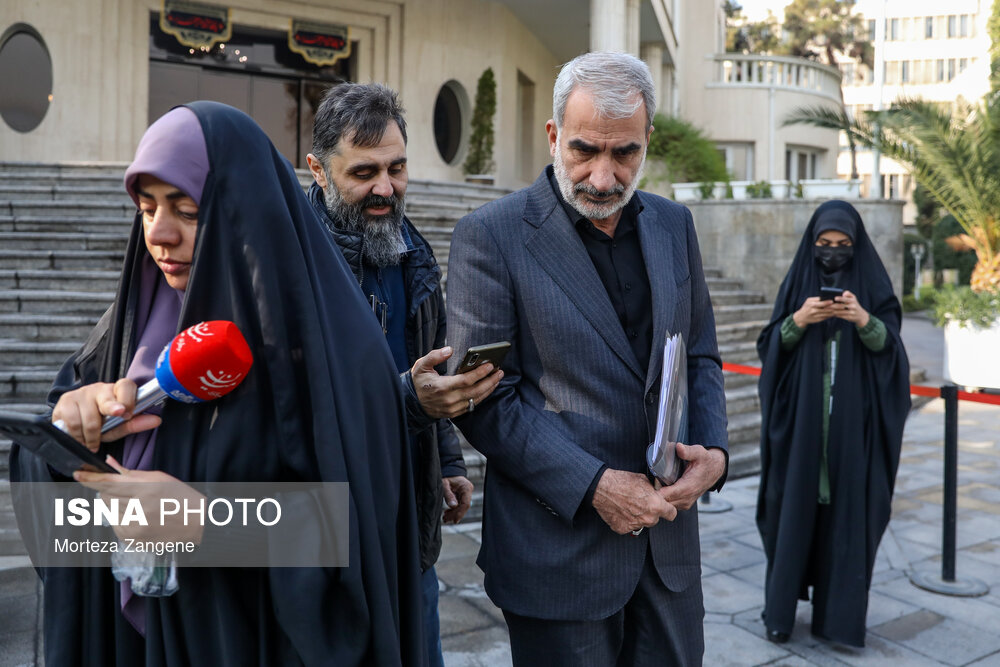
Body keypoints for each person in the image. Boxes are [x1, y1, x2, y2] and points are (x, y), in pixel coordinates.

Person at [9, 102, 425, 665]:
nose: (160, 233)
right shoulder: (125, 331)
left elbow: (360, 541)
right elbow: (59, 502)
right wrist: (72, 428)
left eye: (187, 209)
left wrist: (209, 522)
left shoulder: (338, 355)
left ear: (241, 212)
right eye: (147, 206)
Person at [445, 52, 729, 665]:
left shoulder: (675, 226)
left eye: (624, 152)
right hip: (559, 555)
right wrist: (594, 485)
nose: (603, 177)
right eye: (583, 150)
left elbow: (700, 353)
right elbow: (482, 400)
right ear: (552, 136)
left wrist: (715, 451)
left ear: (647, 140)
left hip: (669, 554)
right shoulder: (489, 236)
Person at [305, 82, 501, 667]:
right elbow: (305, 397)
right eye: (363, 173)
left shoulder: (413, 251)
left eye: (397, 168)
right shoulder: (293, 263)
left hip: (408, 514)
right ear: (317, 169)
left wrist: (446, 462)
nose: (385, 189)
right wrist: (407, 401)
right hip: (326, 527)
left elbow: (428, 359)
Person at [756, 200, 910, 647]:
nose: (832, 252)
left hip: (851, 437)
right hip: (801, 434)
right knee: (791, 517)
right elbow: (770, 347)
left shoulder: (873, 288)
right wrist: (799, 321)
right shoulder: (798, 285)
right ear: (812, 244)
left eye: (843, 245)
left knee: (847, 522)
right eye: (824, 244)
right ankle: (780, 614)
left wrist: (864, 321)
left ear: (856, 246)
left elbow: (893, 353)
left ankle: (839, 622)